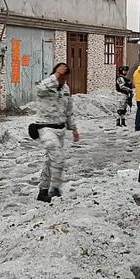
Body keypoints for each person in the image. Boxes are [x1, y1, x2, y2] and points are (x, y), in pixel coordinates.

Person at [34, 63, 80, 203]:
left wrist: (74, 128)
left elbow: (69, 110)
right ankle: (55, 189)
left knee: (50, 160)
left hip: (60, 129)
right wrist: (56, 75)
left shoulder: (65, 89)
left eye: (64, 77)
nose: (62, 80)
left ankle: (43, 191)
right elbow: (39, 88)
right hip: (45, 127)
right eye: (60, 76)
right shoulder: (46, 86)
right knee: (57, 156)